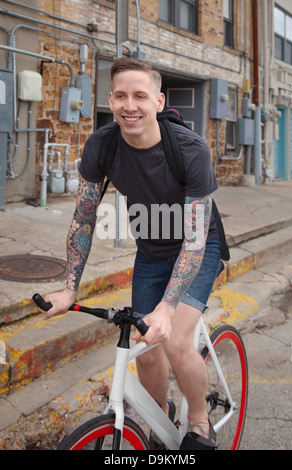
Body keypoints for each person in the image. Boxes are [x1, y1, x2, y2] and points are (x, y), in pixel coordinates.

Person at [41, 58, 222, 450]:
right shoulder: (102, 145)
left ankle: (199, 419)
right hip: (152, 253)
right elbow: (84, 220)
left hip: (198, 249)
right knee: (145, 349)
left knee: (173, 340)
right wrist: (70, 288)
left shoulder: (190, 150)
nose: (130, 105)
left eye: (140, 95)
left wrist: (168, 307)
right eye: (121, 95)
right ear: (110, 99)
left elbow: (193, 243)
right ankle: (161, 416)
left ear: (158, 101)